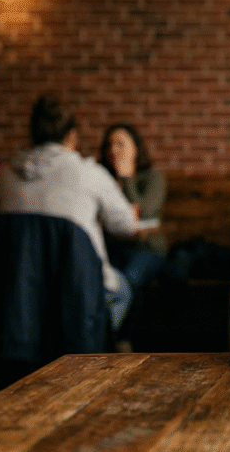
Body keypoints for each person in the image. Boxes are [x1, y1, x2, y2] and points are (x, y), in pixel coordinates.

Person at [0, 96, 139, 333]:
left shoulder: (5, 176)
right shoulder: (89, 173)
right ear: (72, 137)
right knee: (121, 289)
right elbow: (127, 224)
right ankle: (93, 345)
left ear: (32, 136)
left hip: (19, 292)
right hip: (77, 288)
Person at [99, 123, 167, 349]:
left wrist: (126, 178)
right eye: (110, 144)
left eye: (120, 144)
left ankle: (122, 340)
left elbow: (142, 214)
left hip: (148, 249)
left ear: (136, 148)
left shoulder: (154, 177)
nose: (113, 149)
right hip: (112, 248)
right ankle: (102, 340)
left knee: (129, 278)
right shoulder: (101, 178)